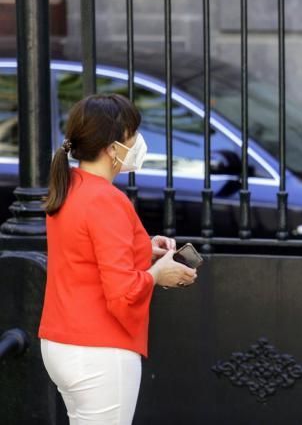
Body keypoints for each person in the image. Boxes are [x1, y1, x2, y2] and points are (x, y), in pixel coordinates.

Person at [38, 94, 198, 425]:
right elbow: (123, 292)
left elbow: (86, 255)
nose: (138, 143)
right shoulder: (106, 200)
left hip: (61, 344)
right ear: (113, 148)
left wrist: (145, 250)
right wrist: (158, 275)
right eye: (132, 136)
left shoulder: (70, 187)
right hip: (99, 349)